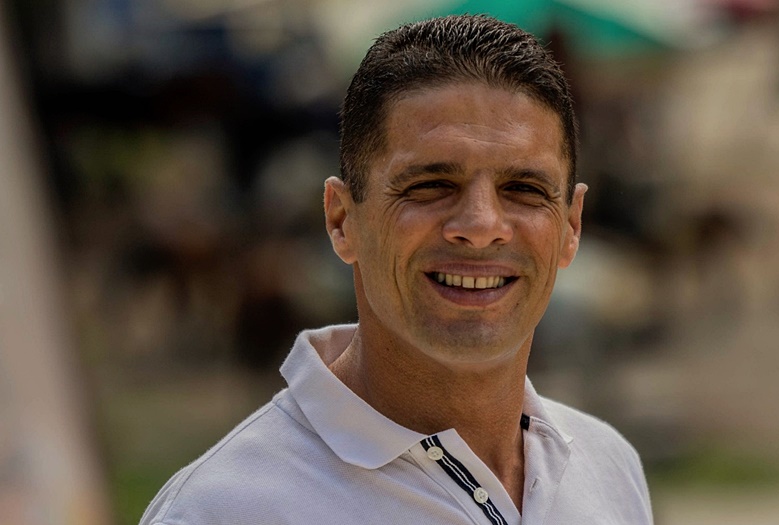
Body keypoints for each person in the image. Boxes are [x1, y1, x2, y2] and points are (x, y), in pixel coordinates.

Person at [140, 15, 653, 525]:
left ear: (571, 226)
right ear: (342, 221)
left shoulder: (607, 468)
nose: (481, 226)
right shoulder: (221, 510)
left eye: (524, 189)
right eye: (430, 185)